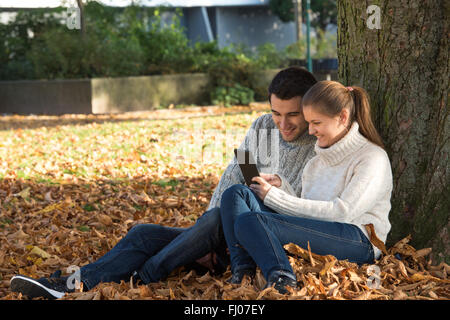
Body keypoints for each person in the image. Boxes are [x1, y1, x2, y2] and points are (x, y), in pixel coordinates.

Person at [9, 66, 318, 299]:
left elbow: (302, 209)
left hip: (259, 245)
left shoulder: (317, 144)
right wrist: (205, 233)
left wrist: (275, 192)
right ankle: (68, 285)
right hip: (220, 228)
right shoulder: (263, 127)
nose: (283, 123)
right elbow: (234, 175)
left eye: (292, 115)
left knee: (213, 220)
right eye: (276, 112)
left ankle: (145, 275)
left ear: (308, 108)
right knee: (143, 232)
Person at [220, 81, 393, 294]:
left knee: (251, 221)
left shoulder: (372, 158)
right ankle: (242, 272)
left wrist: (275, 198)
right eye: (309, 122)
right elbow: (308, 212)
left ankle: (282, 279)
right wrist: (282, 187)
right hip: (328, 230)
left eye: (316, 122)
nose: (310, 130)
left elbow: (342, 212)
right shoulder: (316, 162)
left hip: (359, 240)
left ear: (343, 117)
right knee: (236, 194)